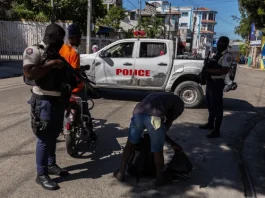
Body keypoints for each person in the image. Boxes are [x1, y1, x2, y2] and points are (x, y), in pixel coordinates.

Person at [23, 24, 70, 190]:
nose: (61, 43)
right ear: (52, 37)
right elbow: (29, 74)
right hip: (43, 100)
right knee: (44, 138)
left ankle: (51, 164)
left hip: (57, 100)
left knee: (53, 135)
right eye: (59, 39)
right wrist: (53, 63)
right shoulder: (34, 51)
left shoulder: (56, 53)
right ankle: (41, 174)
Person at [113, 92, 184, 186]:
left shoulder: (158, 96)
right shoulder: (179, 103)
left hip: (138, 113)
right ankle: (159, 179)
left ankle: (121, 173)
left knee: (129, 145)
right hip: (155, 117)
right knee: (158, 150)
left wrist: (171, 142)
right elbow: (167, 123)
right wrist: (171, 142)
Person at [59, 24, 97, 140]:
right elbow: (74, 71)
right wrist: (84, 69)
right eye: (79, 37)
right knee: (85, 109)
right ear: (74, 37)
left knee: (60, 109)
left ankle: (59, 128)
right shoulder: (74, 52)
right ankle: (91, 133)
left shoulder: (61, 49)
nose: (80, 40)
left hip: (63, 87)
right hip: (75, 88)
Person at [199, 36, 233, 138]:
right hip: (210, 82)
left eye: (221, 43)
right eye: (218, 43)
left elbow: (224, 70)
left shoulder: (227, 56)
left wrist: (208, 71)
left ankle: (216, 130)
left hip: (217, 83)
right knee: (210, 104)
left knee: (217, 107)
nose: (219, 45)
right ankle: (210, 124)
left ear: (226, 44)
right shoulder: (216, 54)